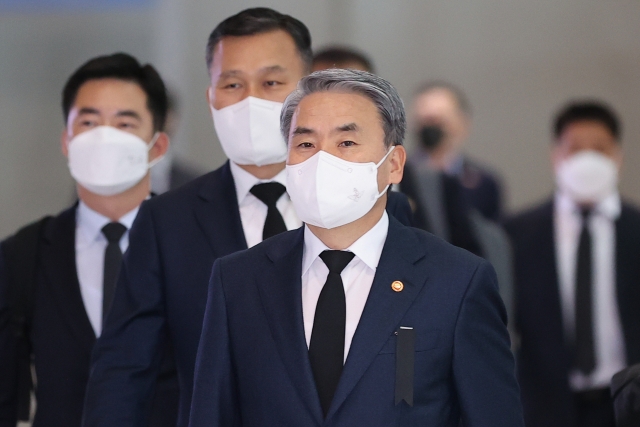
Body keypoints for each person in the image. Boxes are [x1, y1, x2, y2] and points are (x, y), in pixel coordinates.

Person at [82, 9, 411, 427]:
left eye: (272, 82)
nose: (250, 100)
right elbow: (124, 368)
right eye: (232, 84)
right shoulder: (166, 220)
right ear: (211, 96)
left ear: (307, 86)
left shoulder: (378, 205)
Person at [189, 69, 524, 426]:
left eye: (345, 143)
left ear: (393, 165)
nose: (322, 159)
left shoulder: (457, 282)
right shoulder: (238, 280)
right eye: (305, 144)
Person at [0, 53, 177, 427]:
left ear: (157, 146)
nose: (104, 137)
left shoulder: (195, 242)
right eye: (89, 121)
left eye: (125, 123)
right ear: (67, 140)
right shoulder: (24, 253)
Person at [504, 101, 640, 427]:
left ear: (618, 156)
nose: (587, 160)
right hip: (545, 406)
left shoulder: (637, 229)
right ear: (556, 155)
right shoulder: (517, 233)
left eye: (599, 150)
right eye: (575, 149)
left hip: (628, 403)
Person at [410, 81, 503, 220]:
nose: (431, 129)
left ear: (462, 123)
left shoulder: (483, 183)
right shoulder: (398, 178)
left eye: (439, 121)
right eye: (425, 121)